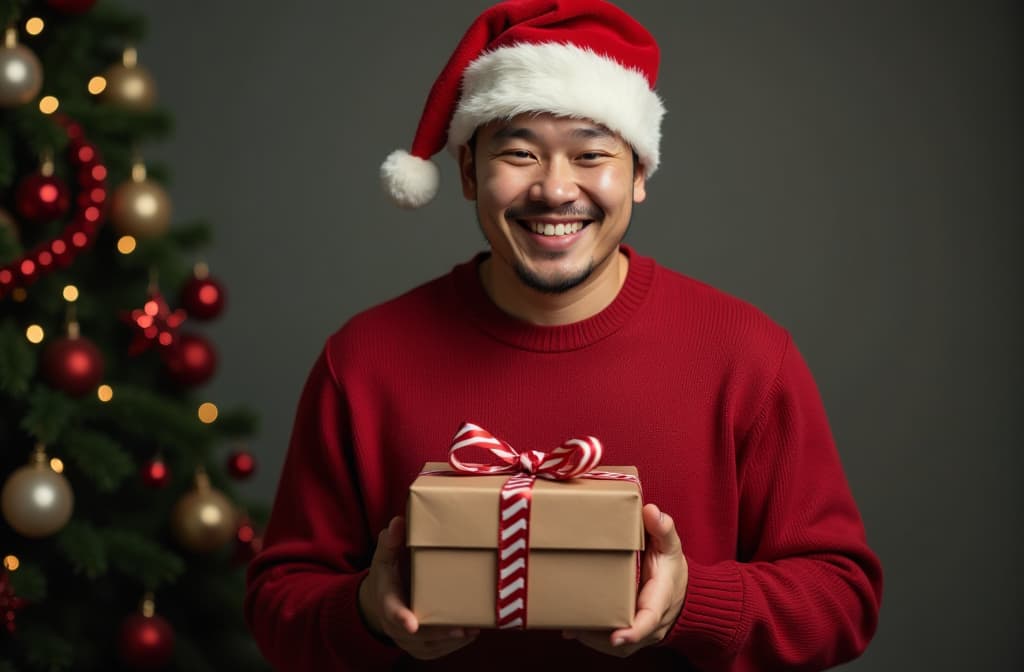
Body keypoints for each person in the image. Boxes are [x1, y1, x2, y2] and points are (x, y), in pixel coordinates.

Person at [244, 1, 883, 670]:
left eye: (590, 155)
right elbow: (276, 606)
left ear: (639, 174)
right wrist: (366, 614)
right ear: (468, 173)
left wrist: (693, 602)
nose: (554, 189)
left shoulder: (746, 355)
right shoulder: (365, 359)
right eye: (519, 154)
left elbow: (843, 599)